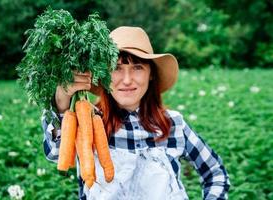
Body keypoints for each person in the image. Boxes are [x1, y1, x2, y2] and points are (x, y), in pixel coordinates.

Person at [42, 26, 230, 200]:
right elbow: (55, 153)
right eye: (116, 68)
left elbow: (215, 172)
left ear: (151, 74)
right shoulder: (87, 123)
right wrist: (61, 103)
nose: (127, 80)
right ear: (103, 76)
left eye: (137, 67)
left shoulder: (173, 124)